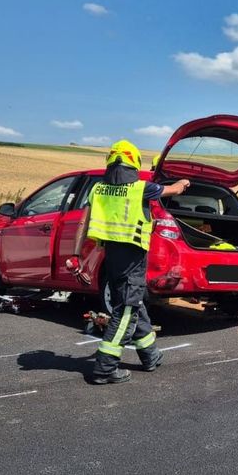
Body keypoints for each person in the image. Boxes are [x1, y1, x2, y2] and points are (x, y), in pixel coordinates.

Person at [72, 139, 190, 385]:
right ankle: (105, 368)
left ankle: (150, 356)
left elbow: (83, 223)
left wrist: (77, 255)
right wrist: (182, 182)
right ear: (134, 163)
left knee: (134, 304)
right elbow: (175, 191)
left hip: (113, 258)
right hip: (133, 257)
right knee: (125, 310)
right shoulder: (141, 188)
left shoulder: (98, 190)